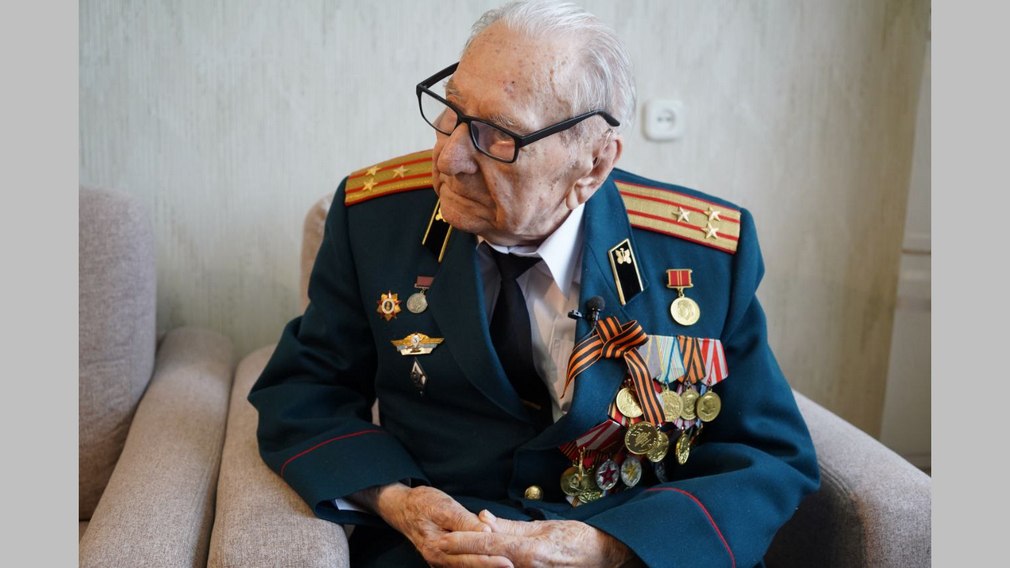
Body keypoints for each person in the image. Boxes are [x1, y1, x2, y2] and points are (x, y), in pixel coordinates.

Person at [249, 1, 820, 566]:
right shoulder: (374, 221)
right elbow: (304, 391)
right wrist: (397, 500)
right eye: (451, 111)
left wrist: (610, 547)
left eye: (498, 136)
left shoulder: (703, 255)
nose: (449, 158)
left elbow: (767, 455)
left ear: (593, 164)